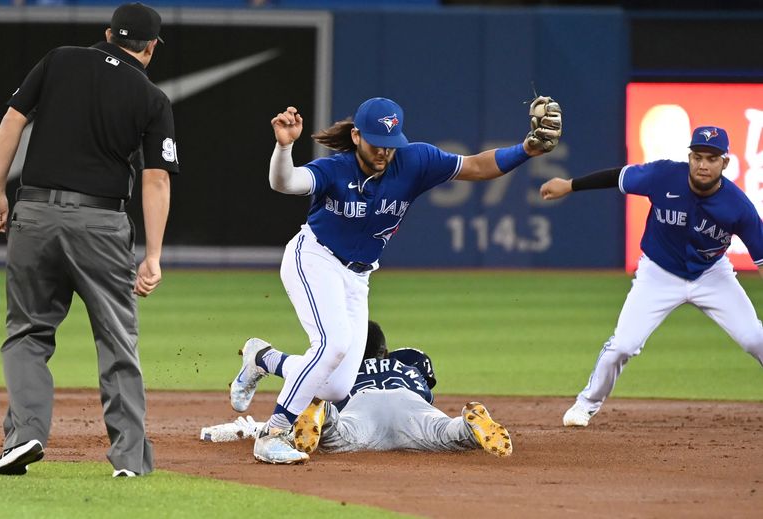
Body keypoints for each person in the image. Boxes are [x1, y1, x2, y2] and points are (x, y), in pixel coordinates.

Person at [230, 95, 561, 463]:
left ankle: (263, 357)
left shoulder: (414, 161)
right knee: (333, 343)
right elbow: (285, 182)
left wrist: (527, 149)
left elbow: (477, 166)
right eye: (376, 143)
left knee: (338, 385)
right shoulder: (335, 170)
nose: (384, 152)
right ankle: (273, 432)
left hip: (358, 275)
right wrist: (284, 146)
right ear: (356, 136)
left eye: (391, 144)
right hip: (315, 257)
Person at [0, 2, 178, 476]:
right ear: (150, 47)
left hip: (34, 213)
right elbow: (156, 179)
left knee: (27, 333)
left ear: (109, 34)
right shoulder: (152, 97)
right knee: (116, 338)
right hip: (100, 222)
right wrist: (152, 255)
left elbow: (12, 118)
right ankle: (128, 458)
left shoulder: (59, 59)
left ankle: (24, 435)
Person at [539, 126, 763, 427]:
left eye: (712, 158)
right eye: (698, 156)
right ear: (690, 157)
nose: (703, 164)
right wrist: (570, 185)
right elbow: (618, 177)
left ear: (725, 163)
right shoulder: (663, 176)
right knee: (623, 345)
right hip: (658, 273)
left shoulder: (739, 207)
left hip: (712, 275)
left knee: (754, 338)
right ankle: (586, 404)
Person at [210, 321, 512, 457]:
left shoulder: (341, 370)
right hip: (410, 403)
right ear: (385, 350)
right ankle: (467, 424)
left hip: (361, 407)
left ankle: (322, 414)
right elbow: (428, 392)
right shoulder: (410, 360)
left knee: (340, 437)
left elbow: (307, 373)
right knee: (442, 432)